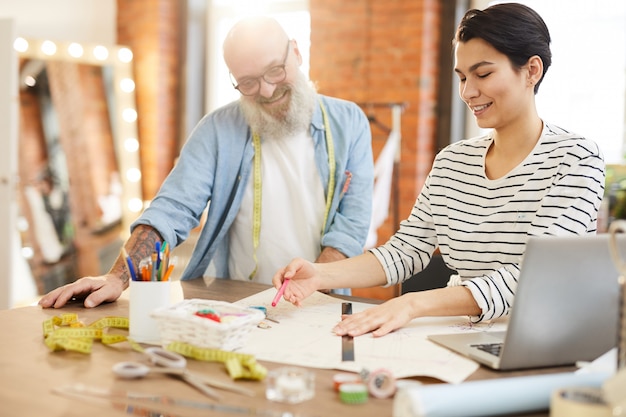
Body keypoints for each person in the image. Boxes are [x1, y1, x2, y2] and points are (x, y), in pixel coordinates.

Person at [272, 2, 606, 338]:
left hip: (540, 339)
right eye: (462, 77)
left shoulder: (576, 159)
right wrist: (318, 274)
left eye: (483, 74)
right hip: (461, 332)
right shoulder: (452, 161)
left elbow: (539, 277)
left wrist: (413, 304)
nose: (467, 92)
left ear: (532, 70)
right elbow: (406, 250)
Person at [39, 16, 374, 309]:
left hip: (319, 300)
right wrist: (117, 278)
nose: (267, 90)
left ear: (297, 52)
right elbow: (172, 209)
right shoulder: (217, 129)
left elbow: (350, 227)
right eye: (248, 82)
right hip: (237, 303)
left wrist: (314, 285)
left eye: (275, 70)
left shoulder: (349, 123)